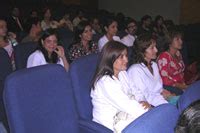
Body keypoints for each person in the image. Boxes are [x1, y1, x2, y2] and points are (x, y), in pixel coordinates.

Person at [91, 41, 150, 132]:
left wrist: (144, 102)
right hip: (111, 126)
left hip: (127, 115)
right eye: (121, 57)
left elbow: (135, 91)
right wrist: (150, 110)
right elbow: (129, 106)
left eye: (126, 56)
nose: (126, 60)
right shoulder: (105, 82)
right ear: (111, 59)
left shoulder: (122, 73)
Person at [128, 33, 179, 106]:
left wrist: (167, 93)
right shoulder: (135, 70)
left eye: (155, 47)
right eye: (152, 48)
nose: (156, 50)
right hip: (153, 106)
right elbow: (143, 97)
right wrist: (164, 99)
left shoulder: (154, 65)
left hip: (162, 100)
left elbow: (158, 88)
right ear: (142, 51)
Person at [157, 27, 187, 95]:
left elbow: (181, 73)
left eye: (181, 39)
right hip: (171, 89)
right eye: (177, 39)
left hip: (182, 85)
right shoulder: (164, 57)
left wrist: (185, 85)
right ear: (169, 42)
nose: (181, 41)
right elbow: (165, 80)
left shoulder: (178, 53)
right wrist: (185, 87)